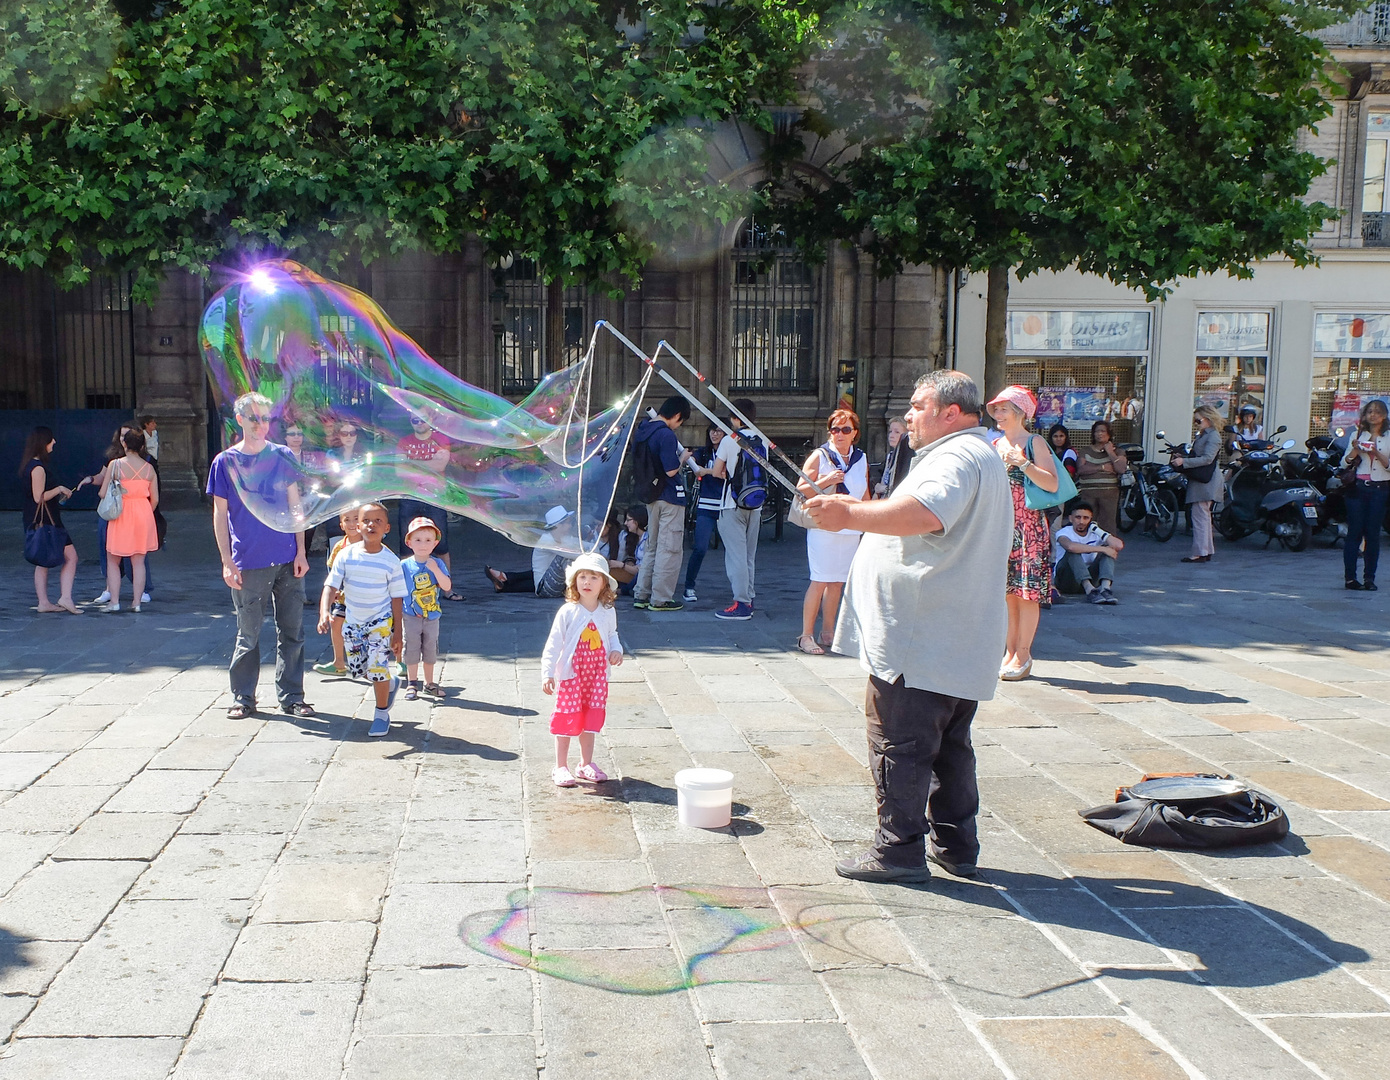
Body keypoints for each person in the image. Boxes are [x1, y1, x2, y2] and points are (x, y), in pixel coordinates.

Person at [803, 370, 1011, 884]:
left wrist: (849, 515)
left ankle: (898, 852)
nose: (908, 415)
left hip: (921, 641)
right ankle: (956, 846)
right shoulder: (973, 451)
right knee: (950, 749)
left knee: (902, 744)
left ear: (952, 413)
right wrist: (854, 510)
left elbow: (923, 513)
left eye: (919, 406)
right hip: (949, 636)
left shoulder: (958, 455)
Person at [208, 391, 314, 720]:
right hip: (248, 561)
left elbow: (296, 506)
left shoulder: (282, 456)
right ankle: (243, 698)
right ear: (239, 420)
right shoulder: (225, 462)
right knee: (249, 633)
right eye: (253, 417)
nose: (260, 424)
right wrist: (226, 561)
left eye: (266, 418)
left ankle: (292, 696)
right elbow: (220, 514)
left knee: (293, 631)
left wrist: (301, 550)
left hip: (285, 558)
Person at [989, 386, 1059, 682]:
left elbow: (1052, 484)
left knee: (1027, 594)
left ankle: (1023, 653)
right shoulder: (994, 444)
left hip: (1028, 526)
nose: (998, 414)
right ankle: (1009, 651)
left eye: (1004, 409)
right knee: (1007, 594)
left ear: (1019, 412)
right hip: (1001, 525)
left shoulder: (1034, 442)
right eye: (997, 409)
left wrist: (1023, 463)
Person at [319, 503, 406, 736]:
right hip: (353, 623)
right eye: (366, 520)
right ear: (357, 526)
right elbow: (331, 585)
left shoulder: (391, 561)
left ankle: (381, 714)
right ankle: (389, 683)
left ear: (387, 527)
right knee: (361, 670)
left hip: (380, 622)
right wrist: (324, 612)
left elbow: (397, 598)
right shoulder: (346, 555)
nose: (371, 525)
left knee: (377, 668)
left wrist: (398, 632)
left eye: (378, 521)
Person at [541, 552, 623, 787]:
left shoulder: (607, 611)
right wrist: (547, 672)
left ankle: (586, 763)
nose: (587, 582)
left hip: (596, 677)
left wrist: (616, 651)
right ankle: (560, 766)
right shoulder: (568, 611)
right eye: (583, 577)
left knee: (590, 720)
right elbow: (554, 643)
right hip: (572, 676)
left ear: (604, 583)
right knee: (567, 720)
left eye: (594, 577)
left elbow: (611, 635)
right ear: (574, 582)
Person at [796, 409, 871, 654]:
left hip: (850, 526)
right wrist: (827, 480)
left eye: (845, 429)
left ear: (854, 434)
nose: (839, 434)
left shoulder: (861, 459)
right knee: (819, 579)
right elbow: (801, 488)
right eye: (835, 429)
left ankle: (828, 631)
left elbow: (865, 492)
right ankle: (805, 635)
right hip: (823, 525)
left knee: (837, 582)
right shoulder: (820, 456)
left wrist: (870, 523)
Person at [632, 396, 693, 612]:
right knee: (669, 549)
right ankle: (661, 598)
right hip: (669, 495)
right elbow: (670, 470)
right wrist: (683, 457)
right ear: (676, 416)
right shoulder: (665, 435)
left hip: (651, 495)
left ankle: (642, 593)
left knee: (652, 546)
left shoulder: (642, 430)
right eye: (681, 421)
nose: (679, 425)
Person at [395, 414, 463, 600]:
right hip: (410, 496)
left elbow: (441, 464)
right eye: (414, 420)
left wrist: (412, 464)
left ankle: (447, 589)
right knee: (407, 545)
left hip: (435, 497)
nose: (418, 423)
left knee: (441, 545)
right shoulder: (404, 441)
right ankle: (407, 591)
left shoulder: (440, 439)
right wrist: (428, 465)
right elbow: (399, 470)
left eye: (422, 419)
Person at [19, 427, 81, 615]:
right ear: (43, 443)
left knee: (42, 560)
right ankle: (65, 597)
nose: (54, 442)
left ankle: (44, 602)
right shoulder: (38, 468)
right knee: (71, 557)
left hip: (35, 518)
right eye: (51, 440)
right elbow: (39, 496)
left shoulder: (28, 465)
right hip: (48, 520)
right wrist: (59, 489)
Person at [98, 428, 159, 613]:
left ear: (124, 443)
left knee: (113, 559)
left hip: (121, 514)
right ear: (142, 446)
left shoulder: (115, 465)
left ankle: (114, 601)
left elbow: (102, 493)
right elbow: (155, 498)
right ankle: (137, 602)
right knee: (139, 561)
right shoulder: (149, 468)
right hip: (143, 513)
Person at [713, 398, 763, 620]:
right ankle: (749, 598)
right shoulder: (761, 438)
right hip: (756, 504)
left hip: (732, 503)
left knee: (736, 557)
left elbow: (716, 471)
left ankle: (740, 603)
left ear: (735, 418)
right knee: (749, 555)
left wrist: (725, 472)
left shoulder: (729, 440)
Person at [1341, 397, 1390, 591]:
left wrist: (1375, 452)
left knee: (1373, 534)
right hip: (1358, 488)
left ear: (1384, 416)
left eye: (1377, 412)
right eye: (1370, 411)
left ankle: (1369, 578)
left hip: (1379, 489)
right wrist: (1355, 449)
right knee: (1354, 532)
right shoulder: (1358, 434)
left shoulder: (1388, 437)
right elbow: (1344, 463)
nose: (1373, 415)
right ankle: (1350, 578)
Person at [400, 516, 452, 698]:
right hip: (410, 615)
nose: (423, 544)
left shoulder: (438, 563)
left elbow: (447, 587)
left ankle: (429, 683)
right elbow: (396, 589)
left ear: (435, 543)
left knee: (430, 649)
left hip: (432, 616)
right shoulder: (404, 566)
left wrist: (436, 570)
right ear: (409, 542)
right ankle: (412, 683)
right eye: (418, 540)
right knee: (412, 648)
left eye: (428, 540)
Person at [313, 507, 365, 677]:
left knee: (366, 630)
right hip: (343, 596)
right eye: (347, 520)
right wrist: (334, 590)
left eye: (356, 519)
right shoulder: (339, 546)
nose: (352, 523)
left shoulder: (369, 543)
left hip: (365, 597)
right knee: (336, 623)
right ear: (341, 524)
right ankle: (339, 662)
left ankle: (371, 663)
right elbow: (333, 570)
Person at [484, 505, 575, 597]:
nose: (570, 526)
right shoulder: (547, 541)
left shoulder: (561, 538)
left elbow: (578, 544)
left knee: (536, 573)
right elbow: (571, 553)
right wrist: (588, 552)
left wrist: (589, 544)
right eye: (568, 523)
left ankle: (504, 580)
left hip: (545, 579)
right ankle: (504, 579)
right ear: (558, 525)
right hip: (545, 586)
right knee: (564, 559)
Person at [680, 426, 726, 604]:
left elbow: (725, 473)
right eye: (712, 431)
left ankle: (741, 591)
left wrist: (706, 471)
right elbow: (694, 465)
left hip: (725, 505)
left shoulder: (729, 451)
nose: (715, 434)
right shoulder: (704, 452)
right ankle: (689, 586)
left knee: (734, 550)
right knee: (700, 548)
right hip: (706, 505)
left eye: (719, 431)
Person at [1172, 405, 1222, 564]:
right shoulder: (1205, 435)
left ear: (1207, 419)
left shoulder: (1212, 436)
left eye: (1198, 420)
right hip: (1203, 479)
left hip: (1205, 480)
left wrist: (1184, 461)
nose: (1196, 423)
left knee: (1200, 516)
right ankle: (1206, 550)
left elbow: (1207, 458)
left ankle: (1200, 552)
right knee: (1203, 516)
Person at [1053, 502, 1122, 604]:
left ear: (1091, 520)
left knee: (1109, 551)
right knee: (1073, 552)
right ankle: (1089, 590)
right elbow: (1070, 547)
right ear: (1071, 518)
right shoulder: (1064, 532)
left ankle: (1105, 589)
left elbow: (1118, 545)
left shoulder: (1095, 533)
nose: (1081, 521)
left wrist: (1097, 530)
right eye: (1078, 517)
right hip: (1067, 580)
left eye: (1086, 518)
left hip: (1091, 578)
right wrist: (1102, 549)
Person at [1074, 420, 1126, 532]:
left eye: (1103, 431)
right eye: (1097, 431)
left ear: (1109, 433)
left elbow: (1121, 468)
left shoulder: (1118, 451)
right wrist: (1101, 467)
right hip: (1088, 493)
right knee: (1087, 523)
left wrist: (1110, 452)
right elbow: (1081, 469)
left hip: (1109, 494)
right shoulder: (1085, 450)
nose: (1099, 434)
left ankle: (1107, 548)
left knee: (1108, 524)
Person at [873, 418, 914, 498]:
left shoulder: (908, 457)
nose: (891, 435)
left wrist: (884, 489)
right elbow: (884, 481)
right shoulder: (890, 456)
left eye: (897, 432)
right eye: (890, 431)